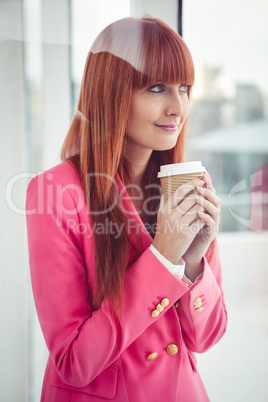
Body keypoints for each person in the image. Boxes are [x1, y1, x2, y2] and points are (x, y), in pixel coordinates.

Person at [26, 16, 227, 402]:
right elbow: (73, 361)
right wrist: (164, 258)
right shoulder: (55, 192)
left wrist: (195, 262)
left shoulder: (180, 183)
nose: (178, 107)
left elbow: (207, 337)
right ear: (112, 92)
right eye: (156, 88)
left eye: (184, 88)